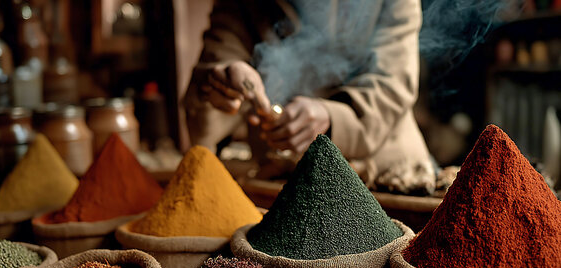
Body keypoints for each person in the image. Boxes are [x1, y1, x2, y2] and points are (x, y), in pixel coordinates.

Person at [184, 0, 434, 193]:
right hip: (282, 175)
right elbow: (219, 58)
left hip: (381, 172)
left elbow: (392, 82)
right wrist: (224, 80)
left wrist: (331, 117)